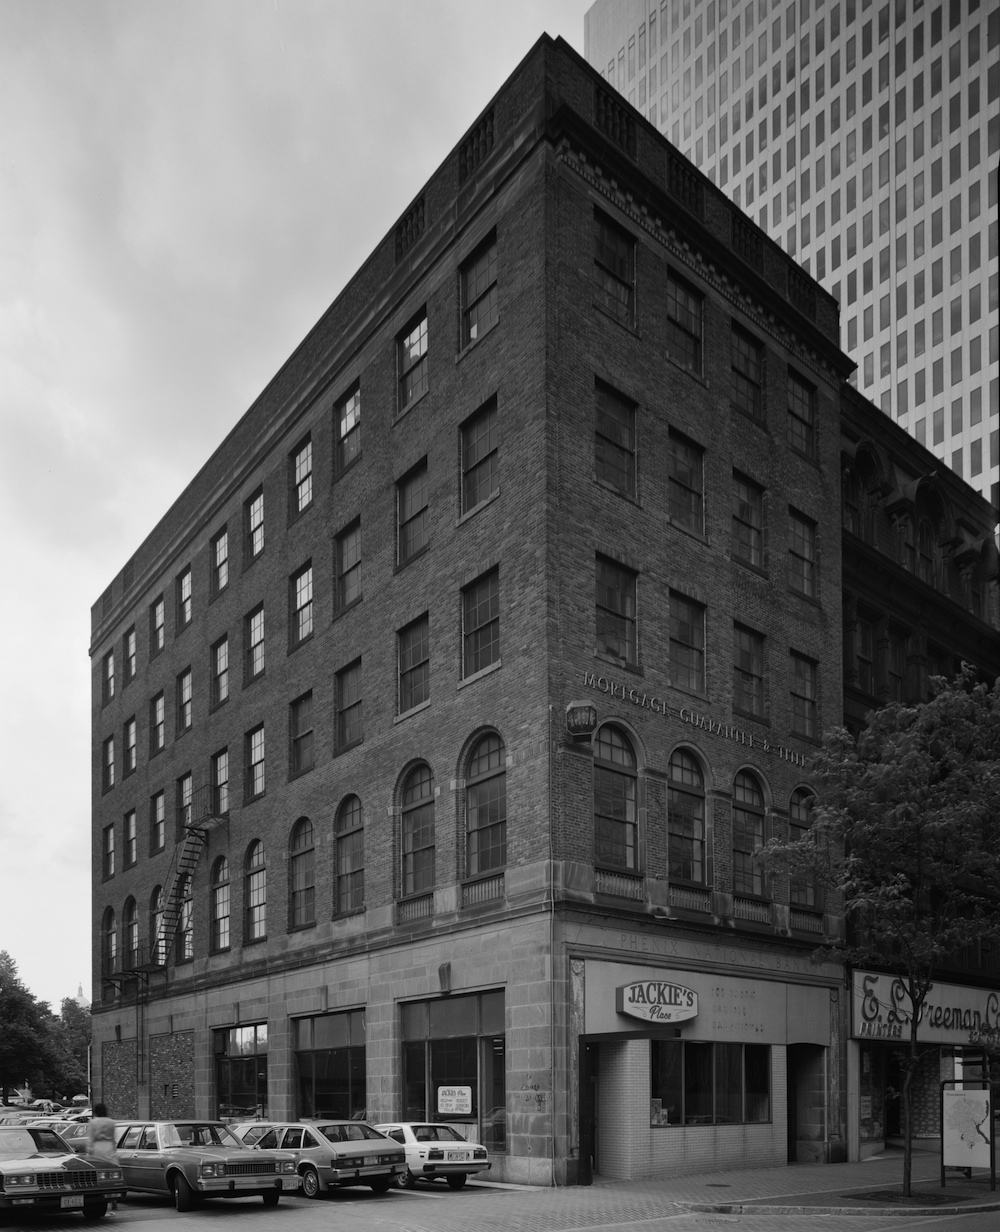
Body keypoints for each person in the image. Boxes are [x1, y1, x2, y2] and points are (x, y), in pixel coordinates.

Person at [86, 1103, 119, 1214]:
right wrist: (114, 1150)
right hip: (109, 1146)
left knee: (97, 1174)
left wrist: (89, 1151)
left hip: (98, 1147)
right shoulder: (111, 1122)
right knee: (112, 1173)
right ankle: (113, 1197)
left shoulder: (93, 1122)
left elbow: (91, 1138)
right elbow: (114, 1139)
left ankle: (98, 1195)